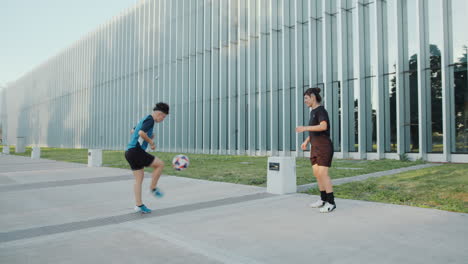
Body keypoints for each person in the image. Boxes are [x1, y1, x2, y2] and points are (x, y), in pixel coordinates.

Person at [295, 88, 336, 213]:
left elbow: (323, 126)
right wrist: (306, 141)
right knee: (317, 175)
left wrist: (305, 128)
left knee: (323, 174)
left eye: (306, 98)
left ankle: (331, 202)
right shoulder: (312, 112)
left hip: (324, 147)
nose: (305, 101)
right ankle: (323, 199)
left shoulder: (320, 110)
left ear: (313, 97)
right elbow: (315, 129)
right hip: (315, 148)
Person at [125, 102, 169, 213]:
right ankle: (153, 188)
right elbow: (140, 132)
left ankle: (139, 205)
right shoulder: (150, 120)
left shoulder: (145, 119)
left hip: (129, 152)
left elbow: (133, 131)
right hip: (136, 151)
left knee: (139, 179)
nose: (162, 119)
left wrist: (148, 135)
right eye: (163, 117)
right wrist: (151, 142)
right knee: (160, 164)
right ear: (159, 114)